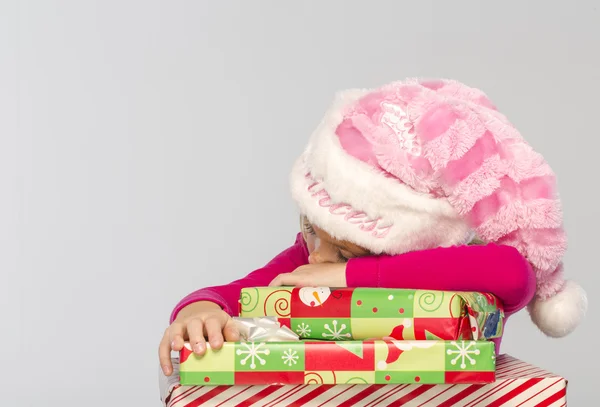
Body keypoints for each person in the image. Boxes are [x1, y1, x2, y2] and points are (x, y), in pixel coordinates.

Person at [159, 78, 587, 377]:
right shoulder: (313, 255)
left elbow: (513, 273)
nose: (317, 258)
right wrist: (198, 310)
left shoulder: (459, 262)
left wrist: (351, 276)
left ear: (412, 244)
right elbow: (244, 292)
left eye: (345, 251)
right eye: (312, 227)